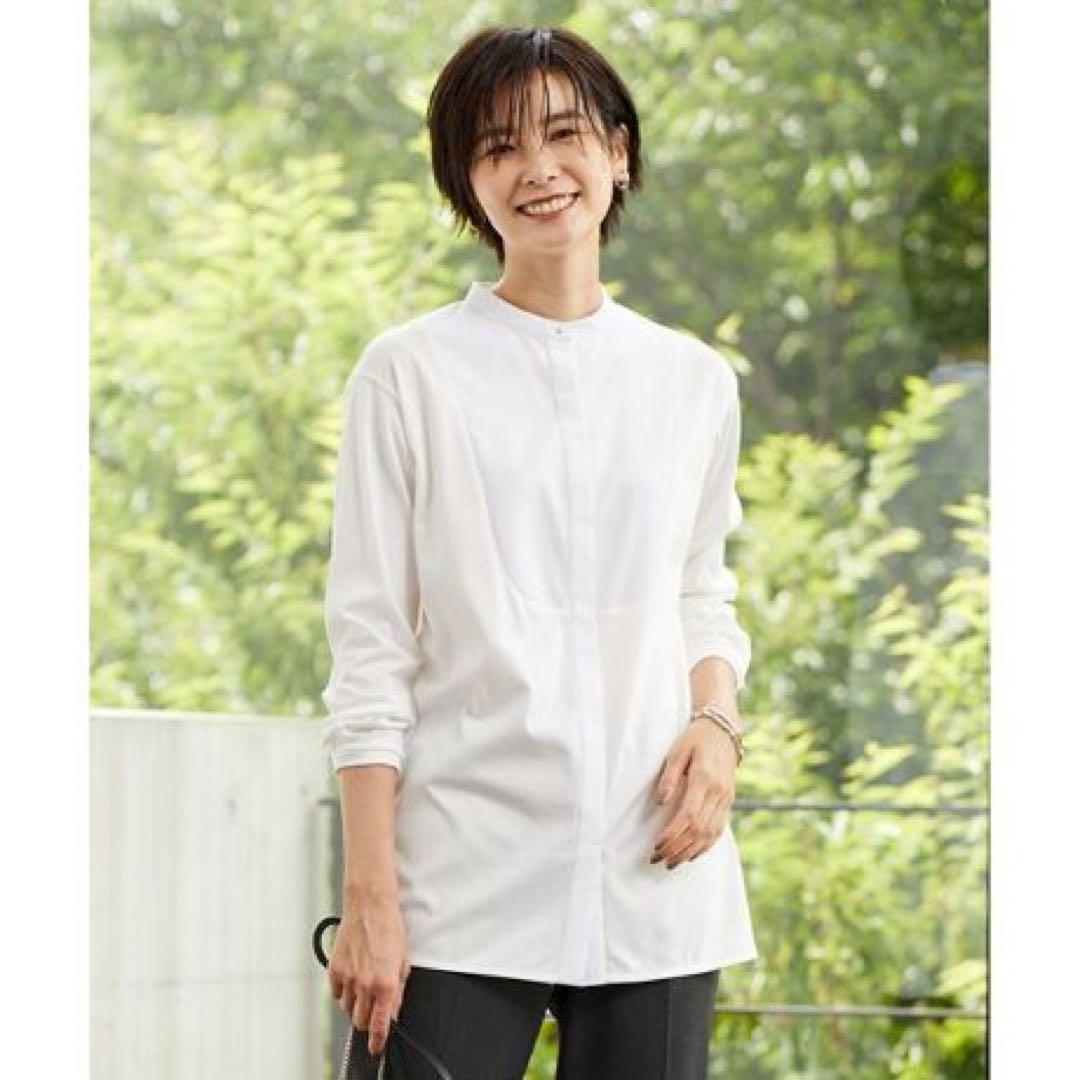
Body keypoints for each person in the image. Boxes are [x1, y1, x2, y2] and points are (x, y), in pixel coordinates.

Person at [320, 24, 757, 1079]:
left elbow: (701, 593)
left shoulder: (693, 381)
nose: (538, 168)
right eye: (498, 147)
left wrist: (717, 727)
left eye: (564, 134)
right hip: (460, 876)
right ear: (467, 185)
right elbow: (370, 646)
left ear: (618, 153)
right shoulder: (409, 374)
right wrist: (370, 894)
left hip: (656, 872)